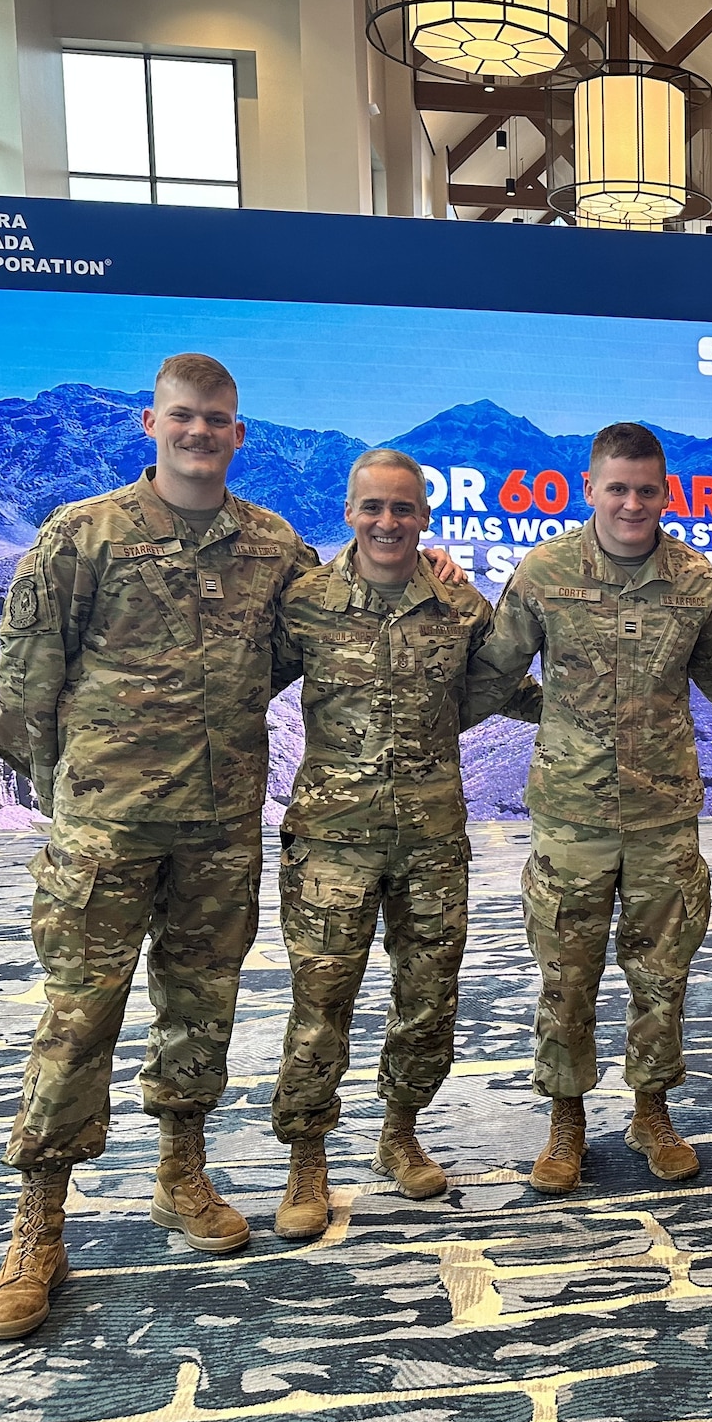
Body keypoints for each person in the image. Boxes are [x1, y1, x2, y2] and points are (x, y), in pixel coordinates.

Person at [0, 353, 319, 1339]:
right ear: (151, 423)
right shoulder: (83, 535)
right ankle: (38, 1224)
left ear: (238, 432)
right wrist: (70, 800)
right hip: (107, 831)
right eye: (183, 416)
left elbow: (320, 637)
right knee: (78, 1020)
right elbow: (25, 685)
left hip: (218, 831)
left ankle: (182, 1174)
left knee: (200, 1009)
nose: (199, 432)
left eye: (217, 419)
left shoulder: (272, 546)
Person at [470, 422, 712, 1195]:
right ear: (589, 488)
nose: (632, 503)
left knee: (662, 972)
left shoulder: (693, 580)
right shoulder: (547, 572)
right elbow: (496, 672)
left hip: (663, 813)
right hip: (573, 816)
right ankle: (566, 1121)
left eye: (646, 489)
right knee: (566, 974)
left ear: (665, 492)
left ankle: (651, 1111)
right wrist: (553, 713)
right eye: (617, 488)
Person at [265, 450, 542, 1240]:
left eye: (403, 509)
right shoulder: (308, 601)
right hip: (331, 846)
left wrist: (587, 712)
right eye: (372, 508)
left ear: (425, 517)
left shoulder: (458, 606)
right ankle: (306, 1161)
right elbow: (244, 680)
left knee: (428, 1000)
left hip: (430, 841)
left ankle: (399, 1133)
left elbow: (506, 683)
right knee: (320, 1008)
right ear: (350, 512)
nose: (387, 522)